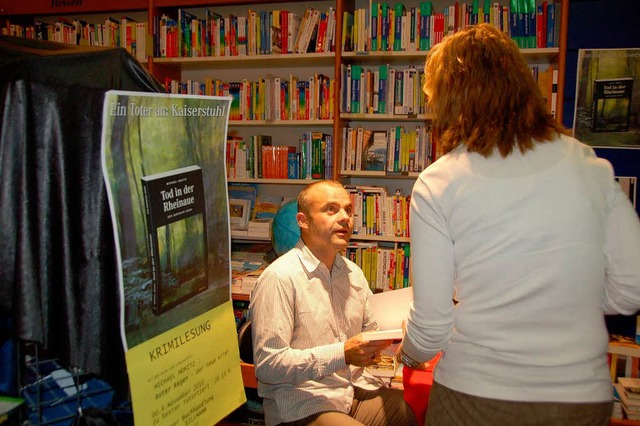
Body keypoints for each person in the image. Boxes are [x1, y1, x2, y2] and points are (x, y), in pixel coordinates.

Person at [396, 23, 640, 425]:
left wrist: (407, 356)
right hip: (578, 395)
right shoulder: (587, 164)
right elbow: (630, 289)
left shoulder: (439, 182)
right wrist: (559, 301)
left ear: (453, 100)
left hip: (477, 396)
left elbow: (432, 327)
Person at [249, 180, 418, 426]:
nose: (344, 218)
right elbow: (268, 365)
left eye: (348, 210)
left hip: (351, 389)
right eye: (331, 209)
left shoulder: (353, 273)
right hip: (302, 402)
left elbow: (370, 334)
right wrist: (342, 354)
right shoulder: (279, 278)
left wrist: (401, 344)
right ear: (302, 221)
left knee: (414, 411)